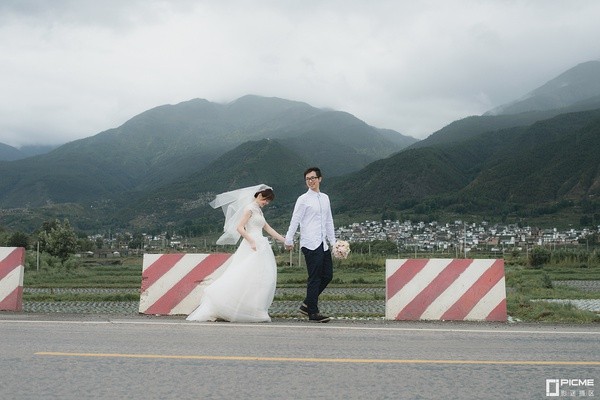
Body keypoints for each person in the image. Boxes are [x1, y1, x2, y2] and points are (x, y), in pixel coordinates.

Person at [187, 184, 286, 322]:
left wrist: (284, 240)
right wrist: (251, 241)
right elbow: (239, 228)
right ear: (259, 195)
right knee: (244, 275)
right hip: (252, 245)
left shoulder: (258, 210)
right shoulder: (249, 208)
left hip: (261, 245)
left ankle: (255, 309)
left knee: (260, 279)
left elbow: (268, 228)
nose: (266, 203)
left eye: (268, 201)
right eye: (265, 200)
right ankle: (233, 306)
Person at [285, 167, 336, 323]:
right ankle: (313, 312)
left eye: (313, 178)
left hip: (322, 243)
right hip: (310, 243)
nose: (311, 181)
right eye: (308, 179)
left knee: (327, 275)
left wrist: (333, 243)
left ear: (320, 179)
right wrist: (289, 238)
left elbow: (329, 221)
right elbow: (295, 219)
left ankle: (307, 303)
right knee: (314, 278)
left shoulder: (325, 198)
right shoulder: (303, 199)